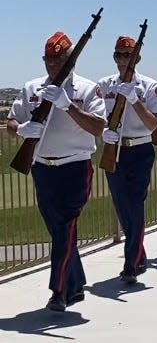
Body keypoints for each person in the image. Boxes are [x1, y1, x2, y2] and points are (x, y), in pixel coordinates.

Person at [7, 32, 106, 311]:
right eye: (48, 59)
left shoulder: (88, 89)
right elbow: (12, 121)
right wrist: (22, 130)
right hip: (42, 168)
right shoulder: (32, 88)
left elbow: (99, 127)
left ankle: (58, 291)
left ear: (71, 59)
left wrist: (67, 105)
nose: (53, 64)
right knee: (60, 231)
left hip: (75, 167)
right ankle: (75, 285)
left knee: (64, 229)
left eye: (59, 59)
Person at [97, 36, 157, 283]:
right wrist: (104, 130)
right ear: (114, 57)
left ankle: (131, 263)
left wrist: (134, 100)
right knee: (122, 205)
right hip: (114, 150)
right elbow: (99, 117)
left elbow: (153, 124)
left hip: (140, 150)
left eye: (129, 55)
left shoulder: (148, 85)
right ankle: (139, 254)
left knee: (135, 204)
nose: (124, 59)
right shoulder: (104, 85)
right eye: (120, 54)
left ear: (137, 58)